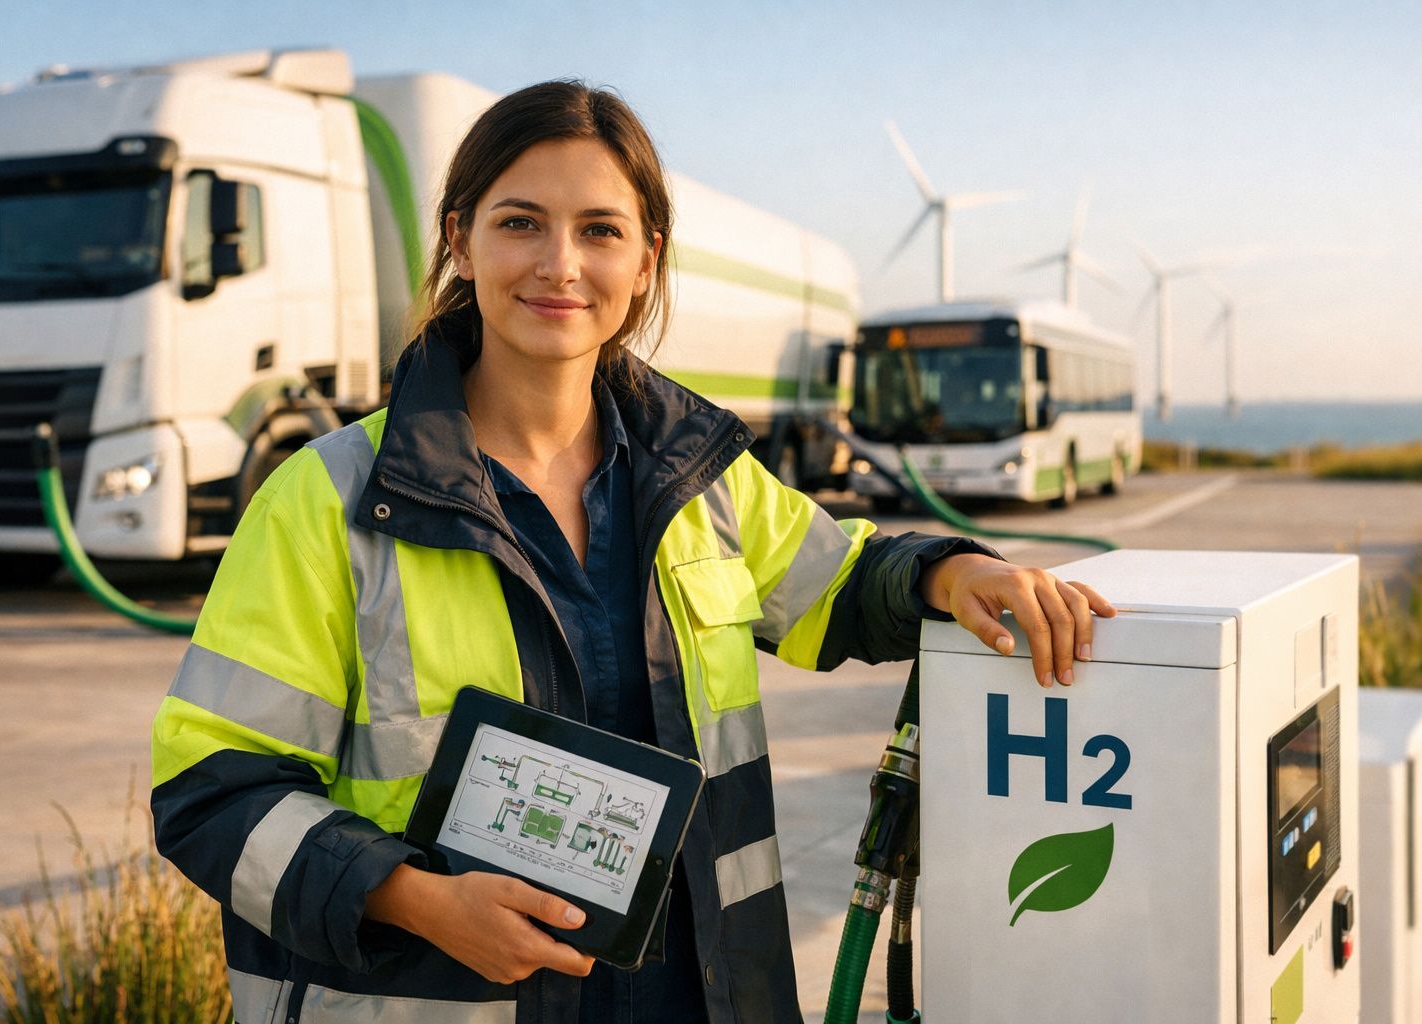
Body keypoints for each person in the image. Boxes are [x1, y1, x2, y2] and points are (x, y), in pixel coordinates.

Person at [150, 80, 1115, 1024]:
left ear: (647, 260)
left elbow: (846, 581)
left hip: (703, 994)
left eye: (600, 231)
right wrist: (415, 897)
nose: (560, 265)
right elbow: (213, 792)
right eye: (520, 222)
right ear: (460, 238)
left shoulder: (698, 479)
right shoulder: (327, 501)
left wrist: (956, 571)